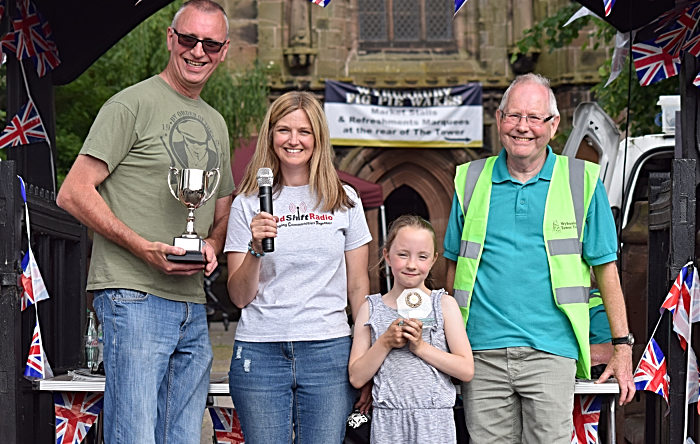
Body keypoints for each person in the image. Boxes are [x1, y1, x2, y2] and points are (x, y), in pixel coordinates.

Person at [55, 1, 234, 442]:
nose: (198, 51)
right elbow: (73, 192)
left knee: (182, 437)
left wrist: (211, 243)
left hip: (191, 304)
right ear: (171, 39)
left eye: (210, 43)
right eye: (189, 39)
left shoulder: (216, 122)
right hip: (132, 295)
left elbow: (223, 205)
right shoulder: (130, 104)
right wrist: (142, 247)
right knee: (133, 435)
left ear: (223, 51)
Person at [444, 73, 635, 444]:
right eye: (514, 116)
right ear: (499, 120)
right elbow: (452, 270)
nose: (523, 127)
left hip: (551, 352)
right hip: (480, 353)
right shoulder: (468, 179)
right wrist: (448, 343)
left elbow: (607, 271)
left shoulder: (582, 180)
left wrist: (621, 347)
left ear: (553, 124)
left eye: (534, 118)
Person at [224, 91, 372, 444]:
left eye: (304, 131)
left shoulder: (345, 199)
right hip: (260, 351)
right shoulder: (247, 203)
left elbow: (358, 287)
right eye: (284, 130)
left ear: (318, 138)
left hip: (329, 349)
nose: (293, 140)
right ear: (270, 135)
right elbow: (239, 297)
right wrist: (255, 250)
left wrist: (364, 354)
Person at [348, 215, 474, 444]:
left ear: (434, 259)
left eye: (422, 256)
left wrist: (421, 347)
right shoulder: (370, 308)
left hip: (435, 422)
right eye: (402, 254)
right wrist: (385, 342)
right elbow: (356, 377)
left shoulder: (444, 305)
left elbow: (465, 370)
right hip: (388, 422)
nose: (412, 264)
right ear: (387, 255)